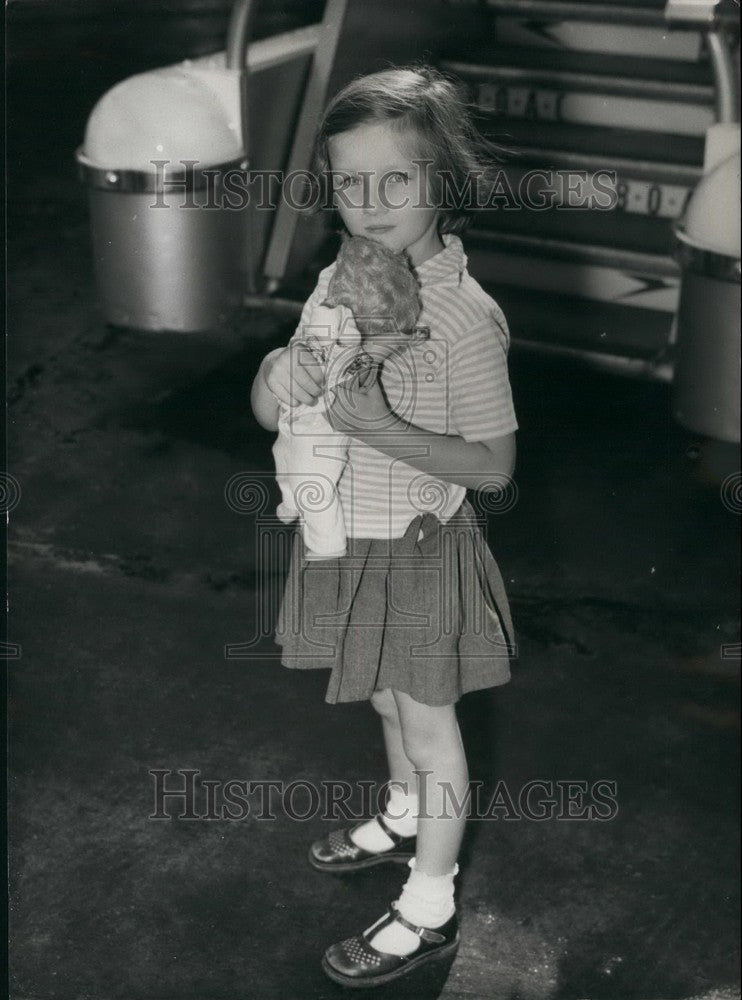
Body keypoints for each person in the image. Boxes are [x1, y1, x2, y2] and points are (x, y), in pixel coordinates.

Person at [250, 65, 519, 988]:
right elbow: (273, 404)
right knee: (381, 699)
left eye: (394, 182)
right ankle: (405, 808)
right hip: (346, 539)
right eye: (346, 184)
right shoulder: (338, 278)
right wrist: (276, 376)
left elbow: (494, 466)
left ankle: (430, 904)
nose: (367, 206)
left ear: (443, 180)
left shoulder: (465, 319)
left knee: (430, 720)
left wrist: (385, 429)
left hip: (416, 550)